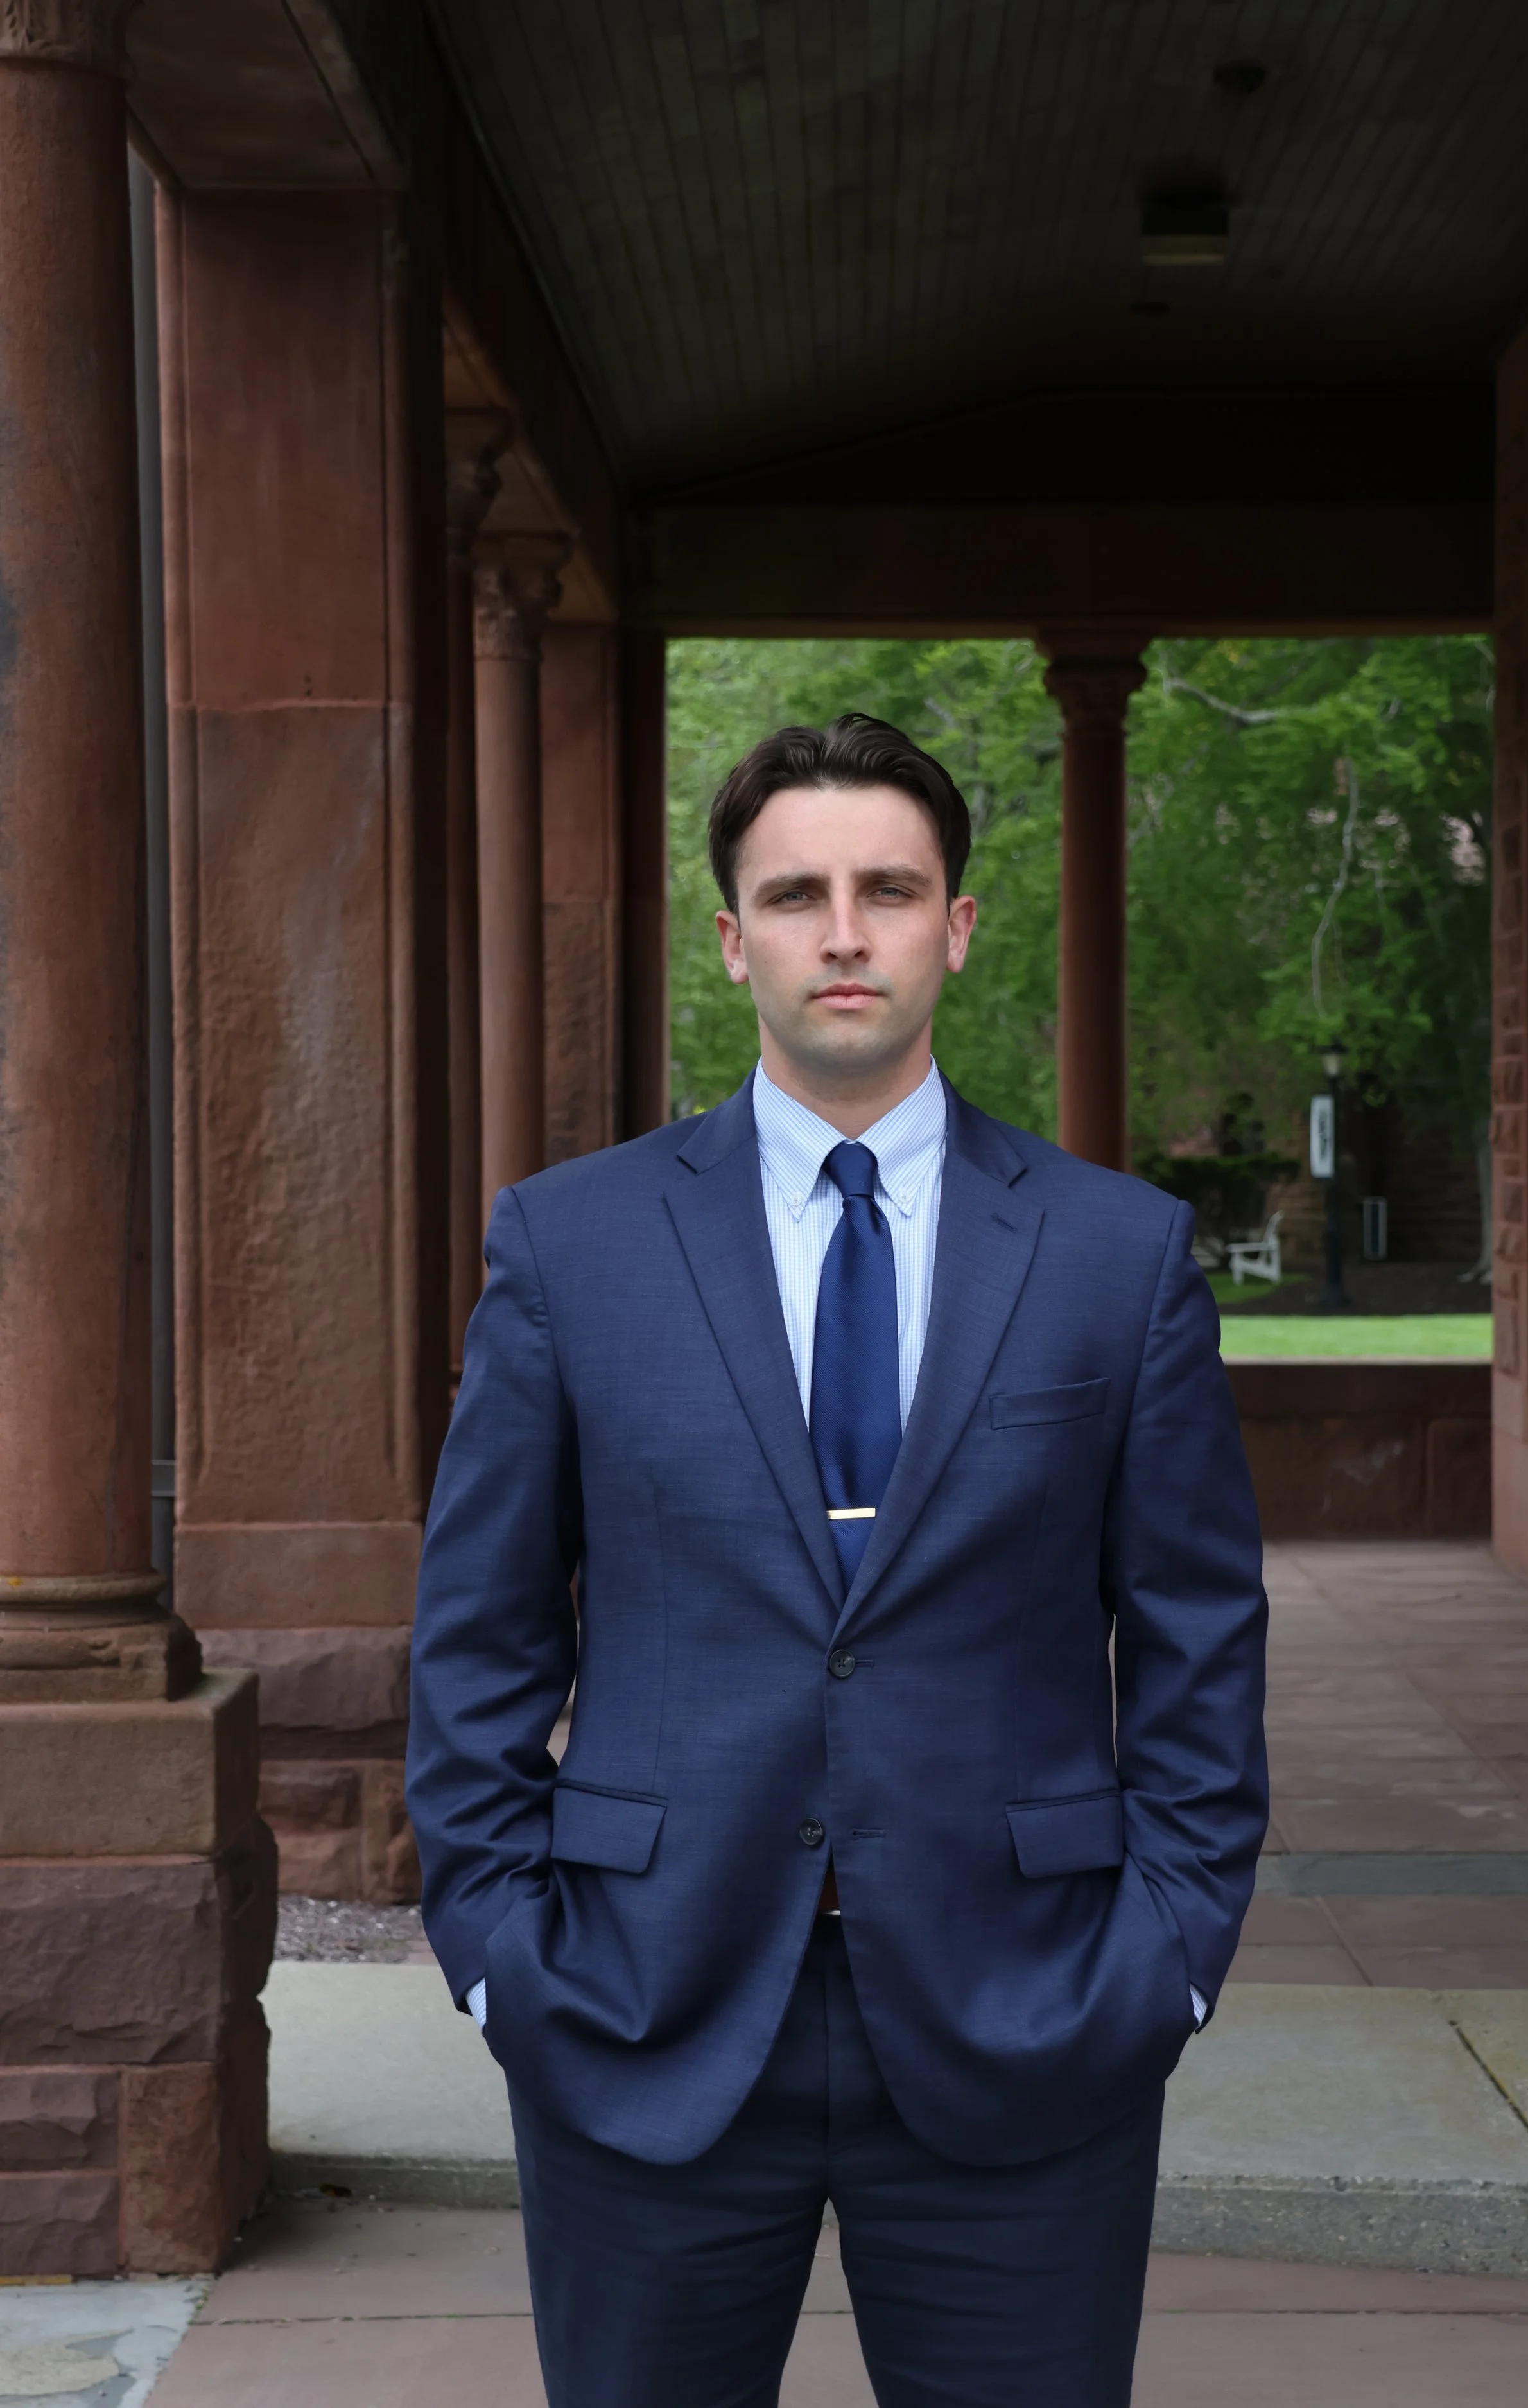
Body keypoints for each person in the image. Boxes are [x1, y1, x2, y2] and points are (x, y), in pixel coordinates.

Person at [407, 711, 1268, 2408]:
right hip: (638, 2009)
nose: (845, 930)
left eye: (889, 887)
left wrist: (1165, 1954)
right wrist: (501, 1950)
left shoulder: (1116, 1257)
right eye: (796, 892)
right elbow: (480, 1637)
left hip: (1028, 2016)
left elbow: (1194, 1637)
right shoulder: (570, 1243)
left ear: (956, 922)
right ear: (732, 940)